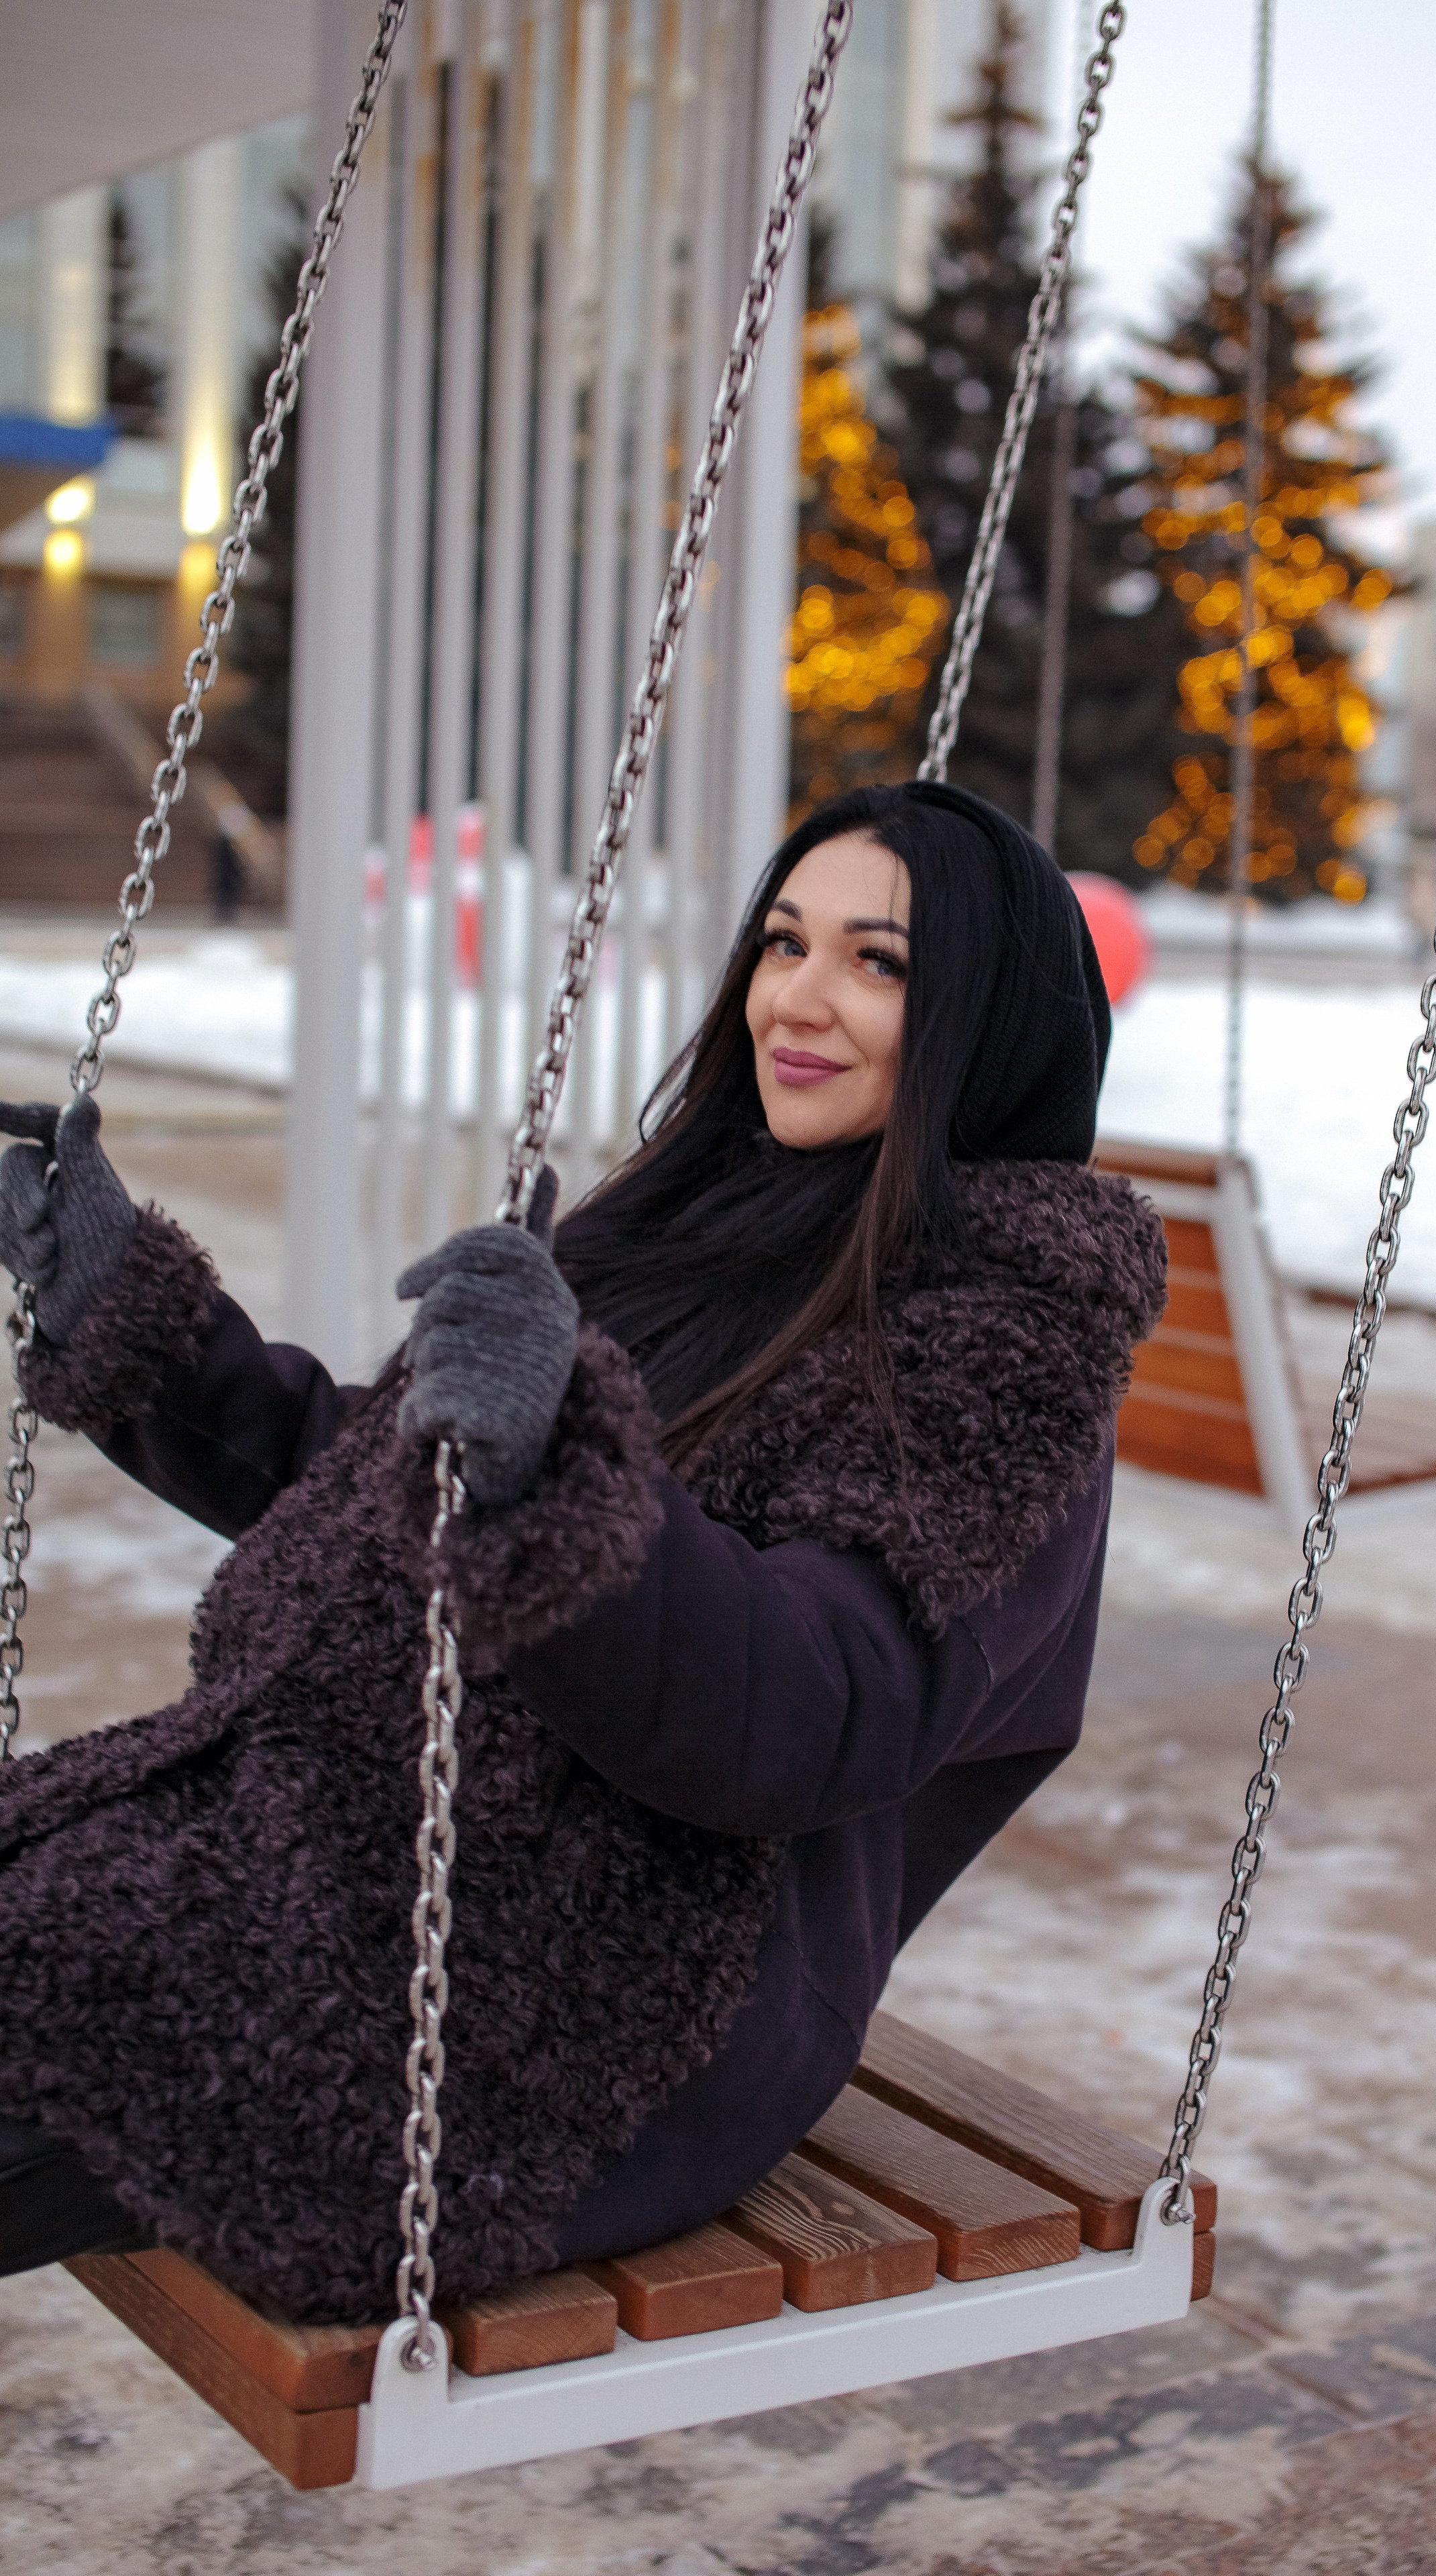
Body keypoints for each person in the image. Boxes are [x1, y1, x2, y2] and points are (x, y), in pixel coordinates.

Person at [0, 781, 1165, 2324]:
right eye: (781, 943)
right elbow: (386, 1479)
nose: (797, 1002)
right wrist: (136, 1319)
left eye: (877, 963)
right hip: (344, 1849)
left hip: (581, 2004)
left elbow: (809, 1707)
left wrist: (556, 1468)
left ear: (985, 1013)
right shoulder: (707, 1221)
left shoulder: (997, 1349)